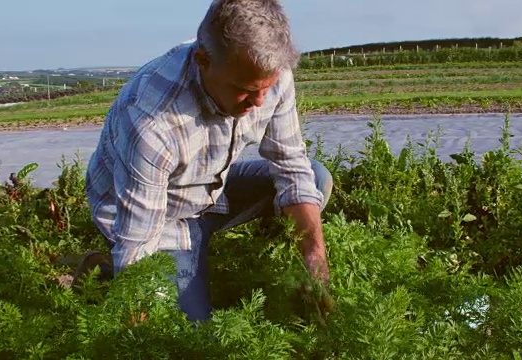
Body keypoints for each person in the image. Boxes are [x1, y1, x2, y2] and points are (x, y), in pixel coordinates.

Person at [78, 0, 333, 322]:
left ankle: (250, 260)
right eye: (243, 90)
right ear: (203, 60)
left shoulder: (268, 71)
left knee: (315, 177)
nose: (258, 102)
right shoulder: (151, 120)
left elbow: (291, 163)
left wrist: (313, 254)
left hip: (210, 188)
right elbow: (138, 235)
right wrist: (136, 314)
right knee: (190, 328)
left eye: (266, 89)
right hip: (155, 216)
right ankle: (102, 274)